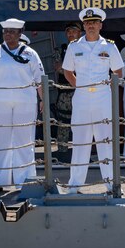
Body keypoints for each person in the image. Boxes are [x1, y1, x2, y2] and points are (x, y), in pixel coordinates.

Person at [0, 18, 44, 194]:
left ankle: (25, 181)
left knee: (24, 141)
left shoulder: (30, 53)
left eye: (12, 31)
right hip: (0, 102)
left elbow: (40, 80)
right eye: (5, 31)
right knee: (2, 140)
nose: (8, 34)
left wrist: (43, 99)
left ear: (20, 34)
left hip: (25, 102)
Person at [62, 8, 124, 194]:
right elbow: (67, 71)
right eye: (88, 23)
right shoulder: (74, 47)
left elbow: (119, 73)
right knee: (80, 142)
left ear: (100, 25)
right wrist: (80, 85)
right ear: (83, 25)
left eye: (94, 22)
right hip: (81, 99)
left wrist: (105, 88)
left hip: (103, 98)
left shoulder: (110, 47)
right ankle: (74, 186)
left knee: (105, 142)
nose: (91, 25)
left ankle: (111, 185)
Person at [52, 21, 82, 163]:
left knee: (81, 122)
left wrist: (69, 71)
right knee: (63, 122)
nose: (71, 34)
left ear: (80, 33)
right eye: (68, 31)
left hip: (82, 92)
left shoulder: (85, 47)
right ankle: (63, 151)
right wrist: (74, 72)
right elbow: (58, 68)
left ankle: (81, 150)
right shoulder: (61, 50)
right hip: (65, 92)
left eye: (74, 31)